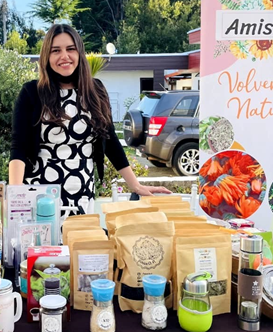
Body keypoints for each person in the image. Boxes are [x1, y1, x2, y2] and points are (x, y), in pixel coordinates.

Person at [9, 23, 170, 218]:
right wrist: (16, 197)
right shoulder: (32, 93)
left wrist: (135, 185)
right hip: (40, 195)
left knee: (82, 236)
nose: (64, 56)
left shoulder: (95, 91)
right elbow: (19, 148)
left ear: (79, 53)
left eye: (70, 49)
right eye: (55, 50)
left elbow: (110, 141)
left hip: (82, 192)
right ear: (46, 56)